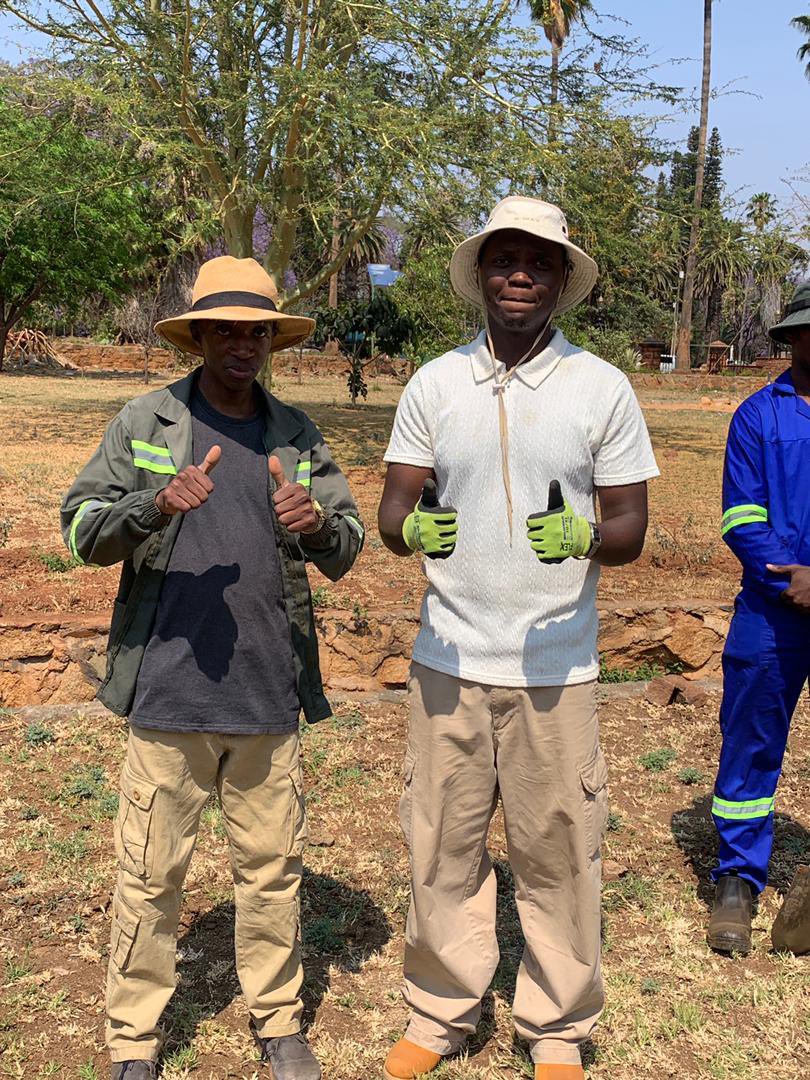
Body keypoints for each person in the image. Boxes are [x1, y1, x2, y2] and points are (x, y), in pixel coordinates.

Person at [61, 256, 364, 1080]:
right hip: (167, 693)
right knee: (151, 879)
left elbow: (348, 542)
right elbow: (81, 528)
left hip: (269, 695)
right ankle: (134, 1042)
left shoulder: (296, 435)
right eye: (223, 328)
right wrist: (153, 503)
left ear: (271, 338)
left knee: (270, 874)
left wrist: (312, 524)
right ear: (197, 335)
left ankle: (277, 1021)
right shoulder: (147, 421)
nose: (241, 342)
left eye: (256, 330)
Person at [377, 196, 659, 1080]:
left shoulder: (600, 387)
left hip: (556, 663)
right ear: (482, 274)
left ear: (564, 279)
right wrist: (410, 531)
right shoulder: (435, 383)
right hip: (449, 656)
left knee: (560, 846)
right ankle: (441, 1011)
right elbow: (393, 507)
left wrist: (582, 536)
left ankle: (558, 1028)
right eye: (505, 259)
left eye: (540, 261)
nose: (521, 274)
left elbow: (630, 528)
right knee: (442, 841)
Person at [707, 280, 810, 955]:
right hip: (775, 614)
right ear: (792, 338)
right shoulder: (757, 416)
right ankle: (737, 882)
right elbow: (742, 517)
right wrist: (793, 576)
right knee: (751, 744)